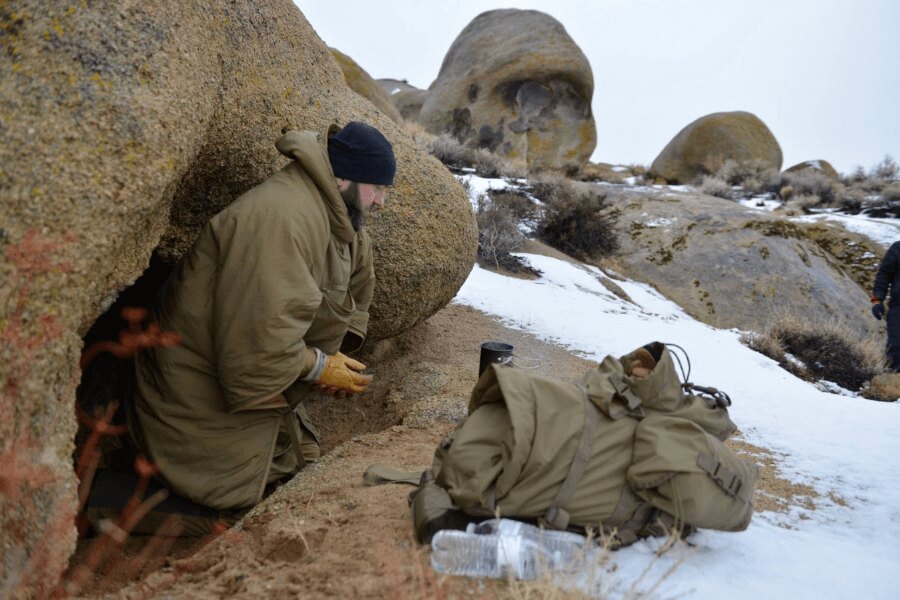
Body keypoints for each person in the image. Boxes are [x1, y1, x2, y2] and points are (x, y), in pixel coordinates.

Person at [115, 122, 396, 533]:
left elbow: (354, 288)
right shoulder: (281, 218)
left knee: (302, 466)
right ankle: (109, 499)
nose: (382, 202)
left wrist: (332, 359)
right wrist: (319, 366)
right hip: (194, 396)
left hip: (241, 388)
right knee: (235, 508)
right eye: (378, 189)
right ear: (345, 178)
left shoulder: (334, 215)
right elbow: (257, 347)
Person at [871, 240, 900, 370]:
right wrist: (877, 300)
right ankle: (892, 384)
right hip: (897, 307)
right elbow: (884, 274)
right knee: (895, 348)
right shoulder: (898, 248)